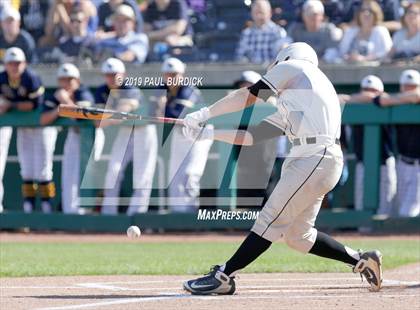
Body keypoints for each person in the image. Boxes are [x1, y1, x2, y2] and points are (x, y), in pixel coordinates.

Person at [181, 42, 383, 295]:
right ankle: (361, 260)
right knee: (298, 236)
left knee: (269, 219)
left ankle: (224, 274)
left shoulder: (294, 66)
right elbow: (252, 136)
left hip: (314, 157)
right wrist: (208, 133)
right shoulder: (303, 98)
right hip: (316, 159)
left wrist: (204, 114)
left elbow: (249, 95)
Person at [98, 58, 158, 215]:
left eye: (114, 74)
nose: (111, 78)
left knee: (142, 175)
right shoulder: (102, 90)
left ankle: (137, 214)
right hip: (125, 132)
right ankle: (108, 214)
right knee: (113, 170)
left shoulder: (131, 89)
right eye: (108, 75)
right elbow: (98, 123)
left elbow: (120, 114)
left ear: (122, 74)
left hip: (144, 131)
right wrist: (106, 116)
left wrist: (106, 114)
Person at [0, 47, 56, 213]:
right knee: (26, 169)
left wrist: (10, 105)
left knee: (44, 169)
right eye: (11, 63)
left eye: (17, 63)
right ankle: (28, 207)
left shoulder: (31, 78)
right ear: (6, 64)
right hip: (24, 127)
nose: (14, 67)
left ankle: (47, 207)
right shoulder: (2, 78)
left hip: (42, 125)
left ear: (24, 63)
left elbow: (34, 105)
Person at [40, 63, 100, 214]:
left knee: (87, 174)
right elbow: (43, 119)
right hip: (74, 135)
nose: (66, 83)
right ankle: (70, 213)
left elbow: (81, 116)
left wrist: (65, 102)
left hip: (91, 136)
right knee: (68, 175)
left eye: (70, 80)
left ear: (77, 81)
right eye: (63, 80)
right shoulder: (56, 95)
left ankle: (91, 212)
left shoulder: (84, 93)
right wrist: (58, 109)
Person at [155, 57, 212, 212]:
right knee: (175, 175)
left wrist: (161, 106)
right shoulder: (161, 89)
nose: (171, 78)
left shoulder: (189, 91)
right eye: (168, 74)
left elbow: (174, 115)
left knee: (190, 174)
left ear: (182, 75)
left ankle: (191, 215)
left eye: (174, 74)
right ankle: (177, 213)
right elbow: (153, 113)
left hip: (200, 135)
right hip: (180, 134)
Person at [339, 75, 396, 216]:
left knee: (386, 208)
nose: (367, 93)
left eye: (372, 90)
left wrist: (372, 98)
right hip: (362, 163)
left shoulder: (386, 101)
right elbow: (339, 98)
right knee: (361, 206)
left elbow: (381, 98)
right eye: (365, 90)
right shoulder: (355, 104)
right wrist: (356, 98)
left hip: (385, 162)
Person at [374, 69, 420, 217]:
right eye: (406, 86)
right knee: (401, 207)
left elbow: (416, 96)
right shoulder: (399, 101)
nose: (409, 90)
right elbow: (378, 100)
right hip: (403, 161)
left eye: (412, 86)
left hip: (418, 166)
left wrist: (393, 100)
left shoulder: (401, 99)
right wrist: (397, 100)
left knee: (409, 212)